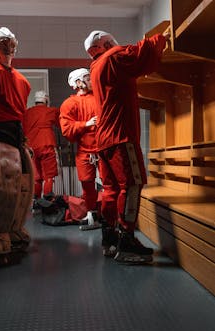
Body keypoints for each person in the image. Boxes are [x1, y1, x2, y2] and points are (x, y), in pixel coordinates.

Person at [84, 29, 171, 263]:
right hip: (120, 136)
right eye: (111, 41)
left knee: (111, 189)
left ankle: (110, 238)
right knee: (133, 184)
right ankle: (127, 240)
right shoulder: (113, 57)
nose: (116, 43)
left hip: (104, 140)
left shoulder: (96, 68)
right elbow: (142, 53)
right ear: (104, 44)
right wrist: (163, 37)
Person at [0, 27, 33, 262]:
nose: (6, 43)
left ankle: (9, 231)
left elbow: (19, 114)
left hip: (12, 133)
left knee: (19, 184)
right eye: (0, 41)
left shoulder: (21, 80)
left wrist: (23, 139)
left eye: (9, 40)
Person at [59, 68, 101, 230]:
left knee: (109, 184)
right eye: (87, 78)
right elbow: (66, 129)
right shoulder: (69, 104)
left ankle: (111, 216)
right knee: (87, 185)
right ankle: (92, 214)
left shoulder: (99, 98)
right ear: (78, 82)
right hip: (85, 151)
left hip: (104, 149)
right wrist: (86, 124)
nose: (91, 81)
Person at [23, 90, 61, 209]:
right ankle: (48, 200)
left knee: (36, 176)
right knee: (48, 175)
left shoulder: (27, 113)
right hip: (46, 144)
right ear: (46, 100)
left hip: (31, 147)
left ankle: (36, 202)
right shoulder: (51, 111)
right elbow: (61, 125)